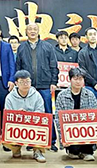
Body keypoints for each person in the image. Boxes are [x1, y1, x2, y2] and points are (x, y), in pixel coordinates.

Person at [16, 23, 59, 151]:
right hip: (28, 86)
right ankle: (32, 141)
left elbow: (53, 66)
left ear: (38, 31)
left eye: (35, 29)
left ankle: (51, 141)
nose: (32, 31)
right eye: (30, 29)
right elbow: (18, 67)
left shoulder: (47, 46)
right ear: (26, 32)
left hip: (45, 84)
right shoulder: (21, 47)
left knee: (47, 113)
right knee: (30, 113)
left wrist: (53, 82)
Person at [3, 70, 47, 163]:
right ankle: (16, 149)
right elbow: (7, 116)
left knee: (43, 126)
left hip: (33, 124)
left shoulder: (37, 95)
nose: (25, 84)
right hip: (17, 125)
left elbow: (41, 112)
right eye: (22, 82)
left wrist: (29, 115)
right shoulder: (9, 97)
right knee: (6, 131)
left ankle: (38, 151)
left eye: (27, 81)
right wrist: (17, 114)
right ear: (16, 83)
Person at [54, 68, 97, 161]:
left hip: (86, 130)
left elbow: (96, 115)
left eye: (80, 79)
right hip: (70, 131)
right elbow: (58, 118)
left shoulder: (90, 95)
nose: (78, 82)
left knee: (87, 149)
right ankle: (73, 151)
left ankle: (86, 152)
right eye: (75, 79)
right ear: (70, 79)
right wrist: (62, 137)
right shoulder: (61, 95)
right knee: (74, 151)